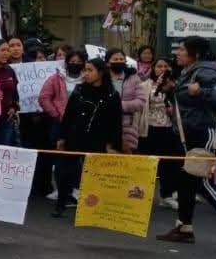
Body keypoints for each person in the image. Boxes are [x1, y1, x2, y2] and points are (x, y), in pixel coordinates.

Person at [157, 37, 216, 245]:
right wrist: (172, 90)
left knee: (200, 181)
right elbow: (189, 103)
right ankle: (184, 228)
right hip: (189, 133)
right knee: (186, 180)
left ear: (197, 53)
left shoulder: (206, 71)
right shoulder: (190, 72)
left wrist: (201, 91)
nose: (177, 53)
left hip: (203, 132)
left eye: (182, 50)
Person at [51, 58, 124, 217]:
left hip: (97, 139)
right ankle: (61, 203)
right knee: (65, 172)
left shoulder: (112, 95)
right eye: (85, 70)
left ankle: (92, 207)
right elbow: (68, 116)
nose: (86, 74)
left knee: (94, 175)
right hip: (74, 137)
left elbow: (116, 122)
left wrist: (113, 146)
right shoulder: (79, 90)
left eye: (90, 70)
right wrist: (61, 137)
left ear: (101, 72)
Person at [137, 59, 183, 209]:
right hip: (149, 129)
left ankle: (166, 195)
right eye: (159, 66)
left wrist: (172, 110)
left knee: (168, 164)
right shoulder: (145, 85)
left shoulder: (173, 86)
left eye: (165, 66)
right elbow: (141, 106)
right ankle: (140, 195)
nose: (162, 69)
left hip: (167, 128)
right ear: (153, 68)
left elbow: (178, 107)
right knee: (147, 164)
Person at [107, 49, 144, 154]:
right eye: (115, 59)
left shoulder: (134, 78)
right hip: (105, 126)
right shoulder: (103, 78)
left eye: (121, 59)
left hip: (127, 126)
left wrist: (118, 105)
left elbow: (140, 102)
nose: (119, 61)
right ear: (108, 62)